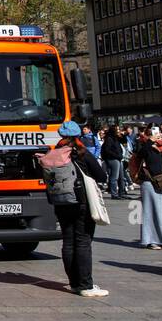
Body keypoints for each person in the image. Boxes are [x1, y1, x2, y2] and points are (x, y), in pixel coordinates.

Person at [39, 120, 109, 297]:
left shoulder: (53, 153)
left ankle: (74, 283)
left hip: (61, 203)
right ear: (77, 135)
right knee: (83, 241)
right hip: (81, 202)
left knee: (68, 241)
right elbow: (101, 176)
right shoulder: (81, 153)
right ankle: (86, 285)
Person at [133, 132, 162, 250]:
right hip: (148, 181)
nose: (160, 137)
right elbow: (139, 154)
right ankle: (151, 240)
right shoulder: (145, 145)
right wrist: (149, 141)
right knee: (151, 211)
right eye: (157, 135)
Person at [100, 125, 127, 199]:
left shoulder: (116, 138)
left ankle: (121, 193)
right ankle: (114, 194)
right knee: (114, 177)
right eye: (117, 129)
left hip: (118, 159)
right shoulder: (109, 139)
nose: (118, 131)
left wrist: (123, 135)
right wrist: (117, 156)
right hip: (113, 159)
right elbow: (107, 150)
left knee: (121, 177)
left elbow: (124, 141)